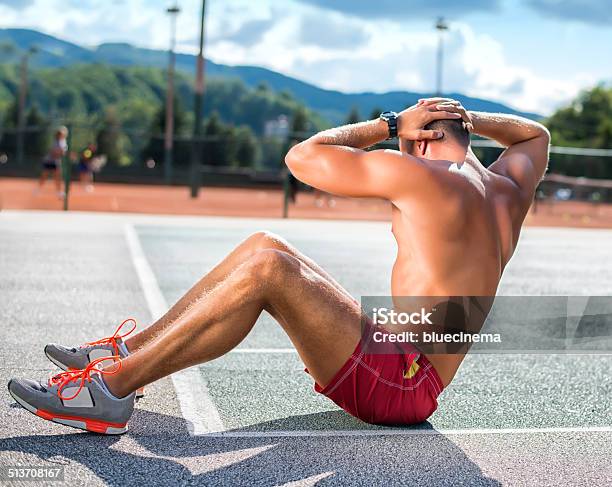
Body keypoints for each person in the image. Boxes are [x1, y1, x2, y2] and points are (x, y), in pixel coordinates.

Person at [8, 98, 550, 433]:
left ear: (424, 139)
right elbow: (535, 135)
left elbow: (300, 158)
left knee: (271, 269)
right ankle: (127, 350)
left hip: (400, 385)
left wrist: (390, 124)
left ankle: (111, 390)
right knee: (264, 243)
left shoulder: (427, 176)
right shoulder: (507, 190)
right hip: (403, 363)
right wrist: (464, 116)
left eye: (412, 142)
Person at [37, 126, 68, 198]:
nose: (62, 134)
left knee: (58, 176)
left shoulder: (64, 142)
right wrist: (61, 153)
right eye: (60, 133)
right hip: (49, 161)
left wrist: (64, 153)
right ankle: (38, 189)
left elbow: (62, 152)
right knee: (44, 175)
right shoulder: (56, 142)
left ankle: (59, 192)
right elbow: (53, 152)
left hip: (56, 161)